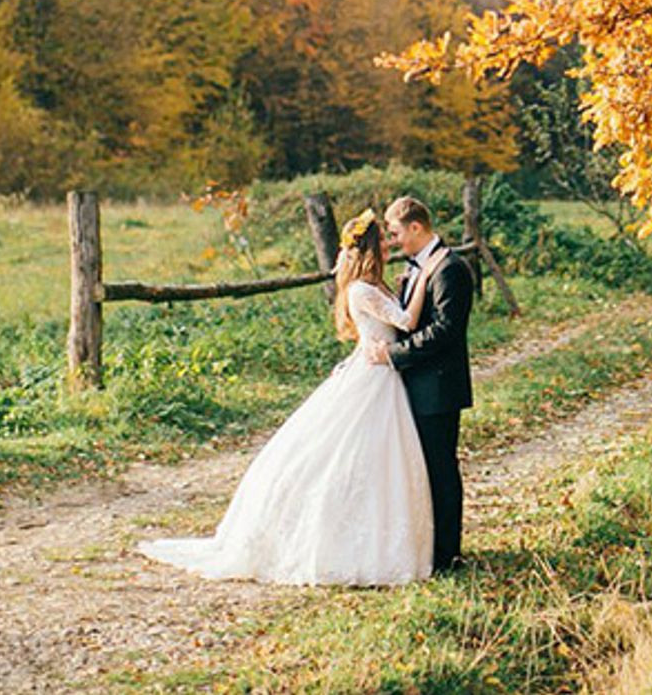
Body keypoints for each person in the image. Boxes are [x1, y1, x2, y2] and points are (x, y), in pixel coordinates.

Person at [136, 210, 442, 585]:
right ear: (368, 248)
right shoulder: (362, 290)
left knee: (378, 460)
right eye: (382, 239)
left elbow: (376, 335)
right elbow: (406, 323)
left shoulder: (375, 285)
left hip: (381, 375)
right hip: (375, 378)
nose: (388, 243)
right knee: (347, 456)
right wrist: (425, 279)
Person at [363, 195, 473, 574]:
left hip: (439, 388)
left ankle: (448, 555)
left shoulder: (450, 269)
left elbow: (445, 331)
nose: (393, 242)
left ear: (416, 227)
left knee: (441, 469)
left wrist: (396, 355)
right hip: (415, 385)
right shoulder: (416, 268)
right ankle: (428, 550)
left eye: (396, 233)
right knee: (420, 470)